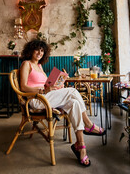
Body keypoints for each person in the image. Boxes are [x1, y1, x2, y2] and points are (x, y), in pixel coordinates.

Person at [20, 39, 106, 167]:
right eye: (37, 49)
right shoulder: (26, 64)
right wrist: (43, 89)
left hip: (46, 96)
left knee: (74, 103)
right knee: (72, 91)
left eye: (42, 50)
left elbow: (46, 85)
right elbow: (23, 87)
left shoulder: (39, 66)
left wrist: (56, 86)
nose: (39, 52)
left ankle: (80, 146)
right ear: (31, 50)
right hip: (36, 99)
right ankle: (88, 123)